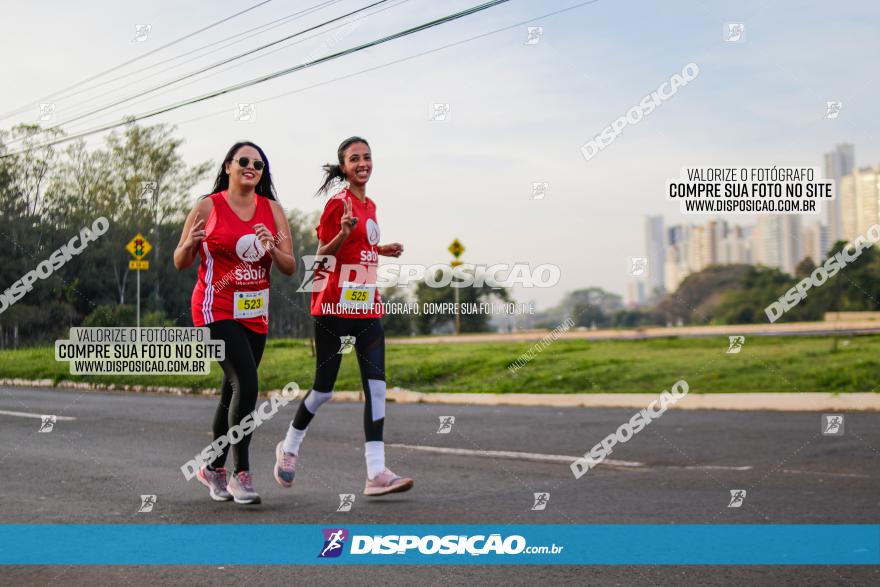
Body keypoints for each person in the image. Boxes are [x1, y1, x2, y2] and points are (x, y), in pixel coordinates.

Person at [274, 136, 413, 496]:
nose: (363, 163)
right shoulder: (337, 205)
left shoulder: (372, 204)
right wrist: (343, 233)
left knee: (378, 389)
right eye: (355, 159)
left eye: (367, 157)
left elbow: (361, 246)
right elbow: (321, 255)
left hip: (367, 304)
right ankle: (289, 447)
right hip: (334, 305)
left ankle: (376, 473)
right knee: (323, 391)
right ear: (344, 166)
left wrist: (379, 248)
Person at [174, 141, 295, 504]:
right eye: (244, 161)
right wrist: (191, 244)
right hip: (215, 309)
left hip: (254, 313)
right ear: (228, 166)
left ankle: (211, 467)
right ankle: (241, 474)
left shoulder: (272, 210)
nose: (251, 167)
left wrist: (272, 247)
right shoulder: (207, 206)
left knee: (232, 391)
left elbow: (290, 266)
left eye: (258, 164)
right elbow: (180, 260)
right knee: (247, 382)